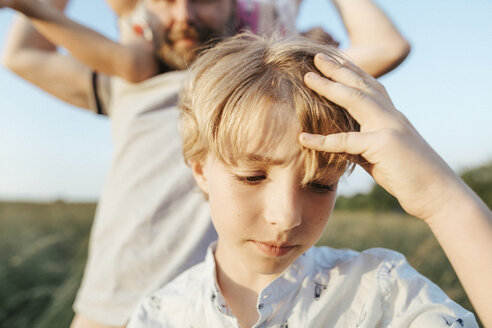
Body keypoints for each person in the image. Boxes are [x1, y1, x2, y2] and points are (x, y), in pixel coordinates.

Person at [0, 0, 411, 327]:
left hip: (224, 310)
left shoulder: (270, 94)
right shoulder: (126, 84)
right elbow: (20, 55)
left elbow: (387, 46)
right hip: (109, 308)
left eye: (203, 0)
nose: (183, 15)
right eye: (163, 1)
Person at [127, 34, 492, 328]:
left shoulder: (381, 293)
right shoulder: (159, 316)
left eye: (320, 184)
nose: (286, 218)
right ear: (201, 169)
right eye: (252, 176)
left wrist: (444, 202)